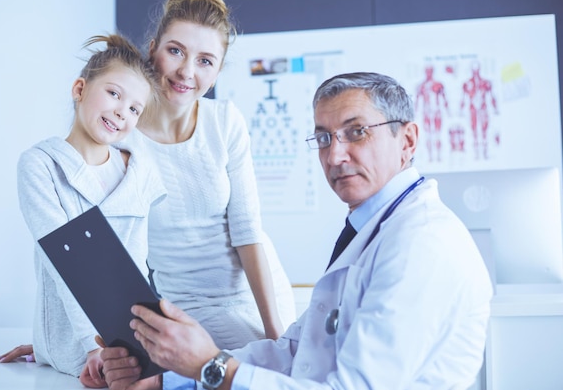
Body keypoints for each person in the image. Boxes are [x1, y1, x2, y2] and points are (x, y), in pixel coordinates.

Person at [100, 72, 494, 390]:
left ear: (407, 140)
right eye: (324, 137)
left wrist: (210, 365)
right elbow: (294, 351)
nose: (335, 155)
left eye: (356, 132)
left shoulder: (421, 243)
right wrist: (166, 378)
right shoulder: (371, 229)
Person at [116, 0, 296, 350]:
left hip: (261, 292)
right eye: (176, 51)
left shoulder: (225, 121)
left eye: (205, 61)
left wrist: (277, 334)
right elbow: (117, 249)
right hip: (190, 307)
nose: (187, 72)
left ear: (217, 71)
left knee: (278, 366)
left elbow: (248, 232)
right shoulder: (123, 139)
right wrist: (87, 344)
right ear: (153, 51)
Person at [0, 34, 166, 388]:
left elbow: (139, 265)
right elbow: (65, 262)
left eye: (135, 108)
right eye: (114, 94)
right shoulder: (40, 165)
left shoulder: (141, 171)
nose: (123, 111)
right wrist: (92, 345)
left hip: (132, 341)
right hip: (76, 348)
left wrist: (145, 345)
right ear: (79, 89)